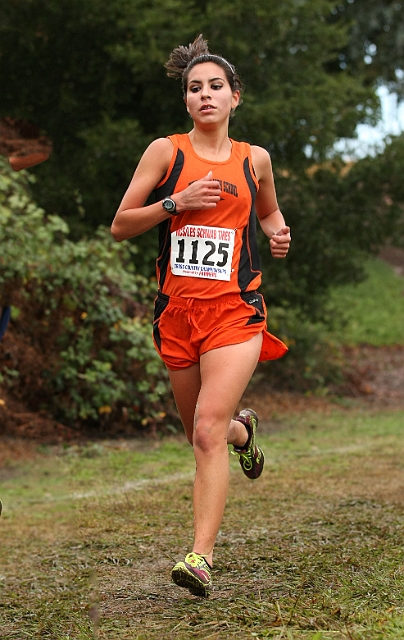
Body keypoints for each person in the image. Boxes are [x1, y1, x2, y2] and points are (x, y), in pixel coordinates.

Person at [111, 34, 291, 597]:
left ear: (235, 97)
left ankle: (200, 557)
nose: (205, 94)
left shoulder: (254, 159)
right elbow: (121, 223)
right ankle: (246, 432)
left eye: (216, 86)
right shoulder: (166, 152)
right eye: (195, 88)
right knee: (204, 432)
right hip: (177, 313)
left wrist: (277, 233)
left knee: (205, 431)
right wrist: (175, 204)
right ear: (186, 101)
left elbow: (268, 212)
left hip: (236, 313)